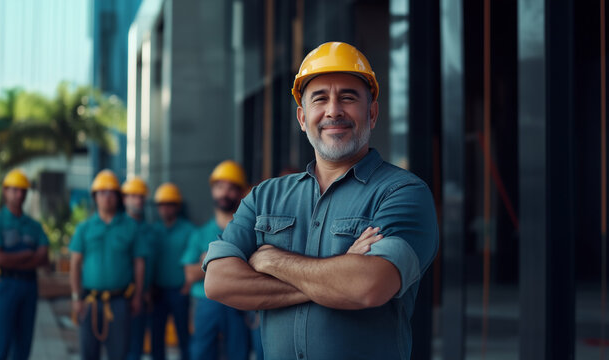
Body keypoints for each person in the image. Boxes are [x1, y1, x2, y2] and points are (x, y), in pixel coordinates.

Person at [203, 42, 439, 359]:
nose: (333, 110)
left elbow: (369, 286)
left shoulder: (402, 193)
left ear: (372, 112)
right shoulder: (264, 197)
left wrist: (272, 262)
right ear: (302, 118)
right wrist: (337, 279)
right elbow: (219, 282)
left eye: (348, 97)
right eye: (320, 99)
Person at [69, 169, 146, 360]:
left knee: (119, 354)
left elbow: (139, 264)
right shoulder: (84, 228)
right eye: (102, 192)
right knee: (88, 354)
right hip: (89, 301)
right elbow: (75, 264)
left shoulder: (130, 226)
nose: (107, 197)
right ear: (95, 197)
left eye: (111, 192)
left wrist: (137, 296)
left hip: (120, 302)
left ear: (118, 196)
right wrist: (76, 297)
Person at [182, 160, 252, 360]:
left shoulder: (249, 232)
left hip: (238, 303)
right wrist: (231, 262)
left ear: (241, 192)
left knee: (239, 354)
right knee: (201, 354)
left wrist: (209, 262)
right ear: (213, 191)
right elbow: (189, 274)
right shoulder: (200, 233)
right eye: (220, 187)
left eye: (231, 188)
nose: (225, 193)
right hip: (206, 303)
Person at [0, 169, 49, 360]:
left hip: (28, 286)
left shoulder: (34, 226)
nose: (19, 194)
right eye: (14, 190)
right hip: (4, 286)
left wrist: (12, 260)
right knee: (1, 345)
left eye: (22, 190)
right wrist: (28, 256)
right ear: (5, 191)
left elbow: (44, 258)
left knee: (22, 347)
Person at [151, 182, 194, 360]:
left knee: (183, 335)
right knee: (156, 336)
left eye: (169, 204)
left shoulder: (189, 230)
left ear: (177, 206)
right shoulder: (153, 230)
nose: (165, 209)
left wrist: (189, 284)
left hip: (179, 291)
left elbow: (194, 258)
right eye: (161, 205)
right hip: (157, 291)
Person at [123, 177, 159, 360]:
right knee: (120, 345)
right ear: (124, 199)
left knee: (136, 345)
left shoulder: (150, 231)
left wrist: (147, 290)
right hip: (120, 296)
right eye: (133, 196)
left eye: (140, 196)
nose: (137, 200)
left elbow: (151, 264)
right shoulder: (119, 228)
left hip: (143, 295)